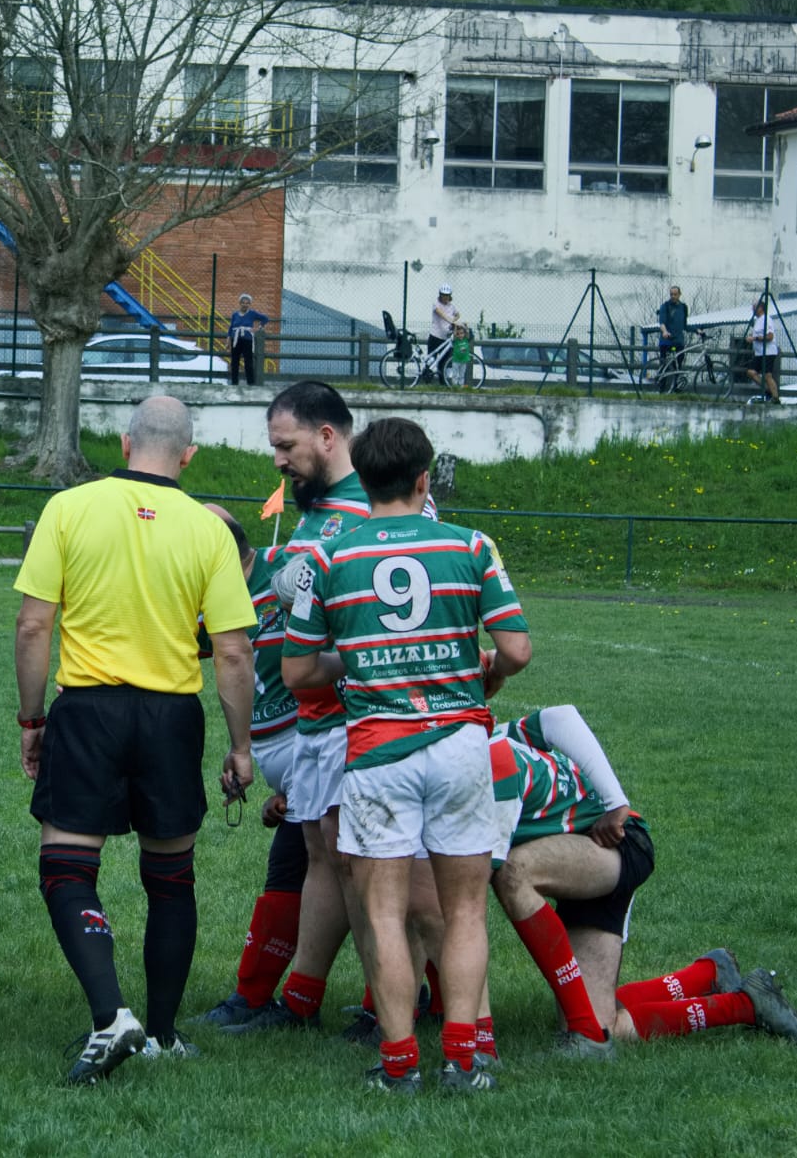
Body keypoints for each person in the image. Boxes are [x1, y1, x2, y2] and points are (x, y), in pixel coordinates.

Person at [281, 416, 529, 1094]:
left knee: (385, 913)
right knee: (466, 910)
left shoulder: (329, 556)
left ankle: (398, 1065)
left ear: (363, 478)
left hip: (379, 751)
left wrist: (357, 659)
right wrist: (485, 677)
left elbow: (298, 671)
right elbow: (516, 650)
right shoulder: (473, 544)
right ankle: (463, 1057)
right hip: (458, 743)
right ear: (425, 480)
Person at [15, 394, 256, 1084]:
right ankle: (162, 1031)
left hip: (88, 708)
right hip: (171, 716)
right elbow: (234, 652)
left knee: (66, 867)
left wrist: (32, 720)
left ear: (124, 446)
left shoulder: (69, 507)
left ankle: (108, 1013)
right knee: (170, 878)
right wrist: (240, 747)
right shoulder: (210, 529)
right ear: (188, 456)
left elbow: (34, 627)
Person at [487, 706, 797, 1054]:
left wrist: (616, 803)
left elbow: (561, 717)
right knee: (605, 1023)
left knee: (513, 872)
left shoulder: (484, 750)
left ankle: (578, 1034)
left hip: (614, 844)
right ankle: (726, 989)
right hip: (578, 852)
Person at [220, 382, 375, 1037]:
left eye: (286, 445)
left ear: (326, 436)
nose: (278, 459)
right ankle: (302, 1000)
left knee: (359, 861)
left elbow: (371, 629)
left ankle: (387, 1003)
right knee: (321, 854)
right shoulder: (317, 509)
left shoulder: (369, 506)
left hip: (353, 719)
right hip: (314, 718)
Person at [196, 505, 309, 1028]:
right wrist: (242, 746)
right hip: (281, 756)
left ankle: (258, 999)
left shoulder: (285, 570)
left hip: (316, 747)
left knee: (328, 878)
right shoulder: (209, 594)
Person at [227, 293, 269, 387]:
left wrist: (258, 328)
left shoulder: (252, 313)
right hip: (236, 340)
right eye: (243, 302)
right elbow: (231, 327)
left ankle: (250, 383)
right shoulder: (235, 314)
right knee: (234, 362)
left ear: (249, 304)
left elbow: (265, 319)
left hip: (247, 340)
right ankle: (234, 383)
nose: (245, 304)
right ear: (240, 303)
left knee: (248, 362)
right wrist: (228, 340)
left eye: (247, 303)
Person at [744, 299, 780, 404]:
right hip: (759, 353)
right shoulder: (758, 320)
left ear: (760, 308)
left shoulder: (766, 319)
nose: (752, 309)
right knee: (750, 372)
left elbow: (770, 336)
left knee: (768, 375)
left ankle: (775, 398)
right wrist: (752, 338)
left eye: (754, 307)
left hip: (768, 352)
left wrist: (754, 339)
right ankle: (768, 390)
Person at [426, 285, 459, 384]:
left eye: (447, 295)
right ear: (440, 295)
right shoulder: (436, 304)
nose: (445, 297)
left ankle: (442, 383)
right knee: (431, 360)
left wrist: (454, 320)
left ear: (450, 296)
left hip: (445, 338)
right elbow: (442, 315)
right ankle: (427, 381)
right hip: (435, 336)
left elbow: (458, 314)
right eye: (443, 295)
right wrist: (452, 322)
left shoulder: (452, 306)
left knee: (444, 362)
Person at [656, 286, 689, 369]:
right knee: (664, 365)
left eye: (675, 294)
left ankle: (676, 381)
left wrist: (698, 330)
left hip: (678, 341)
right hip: (667, 340)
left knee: (679, 364)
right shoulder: (665, 306)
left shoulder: (683, 307)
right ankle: (662, 380)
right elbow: (662, 322)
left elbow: (685, 325)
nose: (673, 296)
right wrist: (664, 332)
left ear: (679, 294)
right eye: (671, 294)